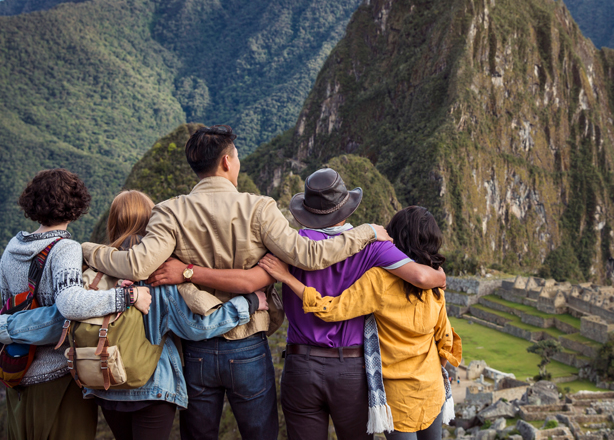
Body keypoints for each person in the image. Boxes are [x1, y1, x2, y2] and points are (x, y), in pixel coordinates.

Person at [80, 125, 392, 440]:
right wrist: (366, 231)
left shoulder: (169, 211)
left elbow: (137, 264)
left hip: (197, 348)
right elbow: (311, 255)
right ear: (227, 162)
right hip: (248, 348)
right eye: (237, 157)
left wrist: (87, 250)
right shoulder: (260, 209)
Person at [153, 168, 447, 440]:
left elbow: (247, 282)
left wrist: (189, 271)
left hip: (300, 366)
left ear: (306, 211)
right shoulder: (373, 247)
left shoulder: (288, 246)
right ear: (347, 208)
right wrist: (440, 275)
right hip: (350, 371)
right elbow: (420, 276)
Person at [0, 190, 269, 440]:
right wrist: (248, 305)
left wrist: (1, 326)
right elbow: (196, 327)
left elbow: (58, 319)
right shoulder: (160, 276)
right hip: (152, 388)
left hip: (105, 383)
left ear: (112, 223)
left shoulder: (91, 275)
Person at [261, 206, 462, 440]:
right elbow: (445, 337)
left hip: (397, 395)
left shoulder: (379, 279)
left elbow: (331, 309)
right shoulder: (435, 284)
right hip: (432, 388)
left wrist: (287, 278)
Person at [0, 169, 150, 440]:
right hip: (59, 378)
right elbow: (70, 304)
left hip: (17, 377)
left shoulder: (12, 249)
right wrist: (126, 298)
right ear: (76, 206)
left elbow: (8, 305)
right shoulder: (65, 249)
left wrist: (2, 328)